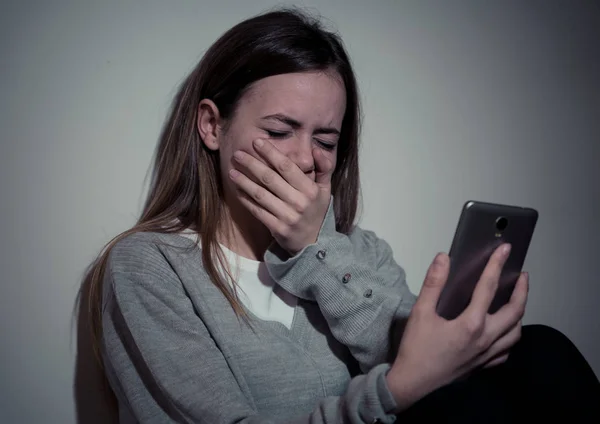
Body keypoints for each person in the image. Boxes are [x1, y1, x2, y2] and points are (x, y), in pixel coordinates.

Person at [84, 7, 600, 423]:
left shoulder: (359, 250)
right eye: (281, 131)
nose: (306, 159)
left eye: (326, 139)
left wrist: (316, 249)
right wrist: (396, 392)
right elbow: (411, 383)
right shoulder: (150, 267)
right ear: (212, 127)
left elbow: (414, 358)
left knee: (540, 351)